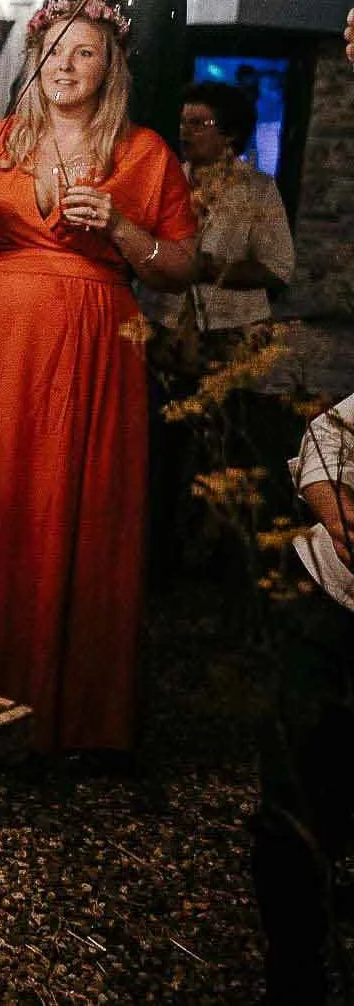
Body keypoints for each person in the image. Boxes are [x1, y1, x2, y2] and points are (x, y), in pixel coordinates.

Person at [0, 0, 198, 753]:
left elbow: (184, 267)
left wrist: (119, 225)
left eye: (83, 52)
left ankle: (62, 712)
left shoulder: (143, 154)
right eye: (54, 50)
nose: (65, 64)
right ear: (34, 59)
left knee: (67, 506)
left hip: (90, 353)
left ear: (108, 66)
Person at [251, 393, 354, 1006]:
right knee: (299, 800)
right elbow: (326, 440)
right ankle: (293, 970)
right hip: (334, 605)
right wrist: (338, 512)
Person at [170, 80, 293, 349]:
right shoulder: (165, 181)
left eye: (198, 124)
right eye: (183, 122)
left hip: (232, 331)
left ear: (230, 135)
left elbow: (278, 269)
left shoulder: (258, 190)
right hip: (167, 329)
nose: (185, 132)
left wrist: (211, 270)